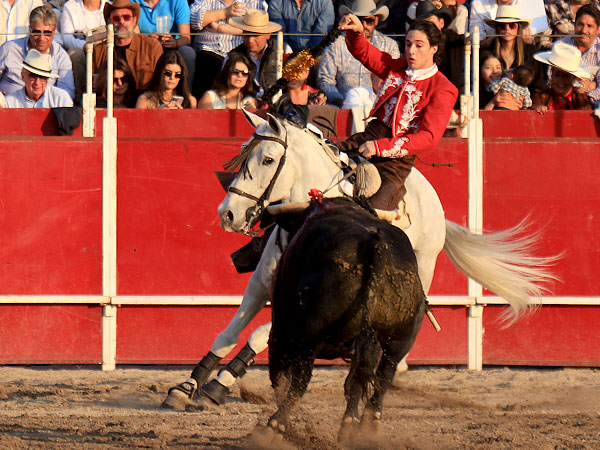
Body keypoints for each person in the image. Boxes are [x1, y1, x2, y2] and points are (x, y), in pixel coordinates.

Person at [336, 17, 458, 211]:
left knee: (374, 215)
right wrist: (357, 32)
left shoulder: (443, 88)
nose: (411, 51)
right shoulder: (398, 67)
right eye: (408, 44)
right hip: (367, 138)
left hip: (394, 164)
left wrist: (380, 147)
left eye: (419, 46)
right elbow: (365, 53)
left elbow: (429, 138)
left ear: (434, 48)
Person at [318, 0, 400, 107]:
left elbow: (393, 81)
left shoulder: (390, 46)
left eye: (369, 21)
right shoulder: (336, 44)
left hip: (377, 106)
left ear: (376, 21)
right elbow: (325, 79)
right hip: (341, 105)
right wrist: (339, 100)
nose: (364, 25)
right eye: (359, 20)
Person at [189, 0, 265, 100]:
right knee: (207, 64)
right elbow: (193, 20)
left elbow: (257, 28)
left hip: (240, 52)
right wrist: (225, 12)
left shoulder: (254, 2)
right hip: (207, 51)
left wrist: (219, 28)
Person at [0, 5, 74, 99]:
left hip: (46, 109)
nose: (41, 38)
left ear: (54, 32)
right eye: (37, 32)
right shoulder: (9, 49)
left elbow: (67, 94)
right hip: (10, 108)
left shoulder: (61, 56)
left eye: (47, 33)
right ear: (30, 30)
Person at [92, 0, 163, 91]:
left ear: (134, 21)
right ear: (109, 22)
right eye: (116, 18)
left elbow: (160, 84)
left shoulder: (152, 46)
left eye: (126, 17)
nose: (121, 22)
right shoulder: (98, 51)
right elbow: (87, 86)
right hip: (108, 102)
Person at [481, 6, 546, 96]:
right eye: (502, 26)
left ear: (518, 28)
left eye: (512, 25)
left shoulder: (531, 51)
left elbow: (539, 81)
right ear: (497, 28)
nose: (507, 29)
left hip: (525, 103)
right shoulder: (487, 52)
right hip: (493, 101)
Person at [131, 0, 195, 90]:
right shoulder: (132, 2)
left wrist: (175, 42)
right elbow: (133, 35)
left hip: (171, 47)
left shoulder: (178, 1)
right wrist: (147, 38)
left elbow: (186, 38)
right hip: (144, 47)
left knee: (188, 52)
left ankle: (186, 95)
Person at [227, 9, 283, 100]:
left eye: (255, 35)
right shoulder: (233, 56)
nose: (250, 40)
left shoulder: (283, 51)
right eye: (247, 35)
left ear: (267, 35)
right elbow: (225, 86)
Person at [59, 0, 107, 102]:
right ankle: (78, 100)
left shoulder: (109, 6)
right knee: (74, 53)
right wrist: (86, 46)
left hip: (104, 52)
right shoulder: (71, 6)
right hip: (82, 51)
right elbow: (66, 38)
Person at [554, 4, 600, 106]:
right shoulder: (561, 46)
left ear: (598, 30)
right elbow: (551, 81)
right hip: (562, 102)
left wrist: (587, 92)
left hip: (593, 105)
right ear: (574, 25)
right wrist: (592, 85)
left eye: (589, 26)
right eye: (580, 24)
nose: (583, 31)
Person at [532, 41, 593, 112]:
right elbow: (534, 110)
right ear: (551, 75)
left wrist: (580, 94)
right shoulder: (541, 95)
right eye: (557, 75)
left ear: (574, 78)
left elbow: (585, 115)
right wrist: (539, 109)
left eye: (566, 76)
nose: (561, 80)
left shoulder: (581, 98)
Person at [3, 48, 73, 107]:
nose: (37, 82)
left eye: (42, 77)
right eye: (32, 76)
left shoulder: (60, 99)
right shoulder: (10, 102)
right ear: (23, 76)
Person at [268, 0, 335, 52]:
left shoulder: (325, 3)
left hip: (314, 53)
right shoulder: (276, 3)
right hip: (286, 53)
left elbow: (320, 37)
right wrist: (287, 56)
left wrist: (307, 59)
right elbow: (279, 37)